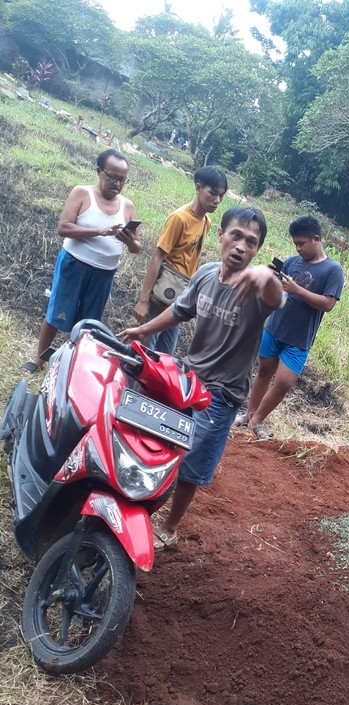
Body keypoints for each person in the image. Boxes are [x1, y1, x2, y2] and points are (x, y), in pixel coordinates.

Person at [120, 206, 283, 551]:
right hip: (187, 377)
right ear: (220, 236)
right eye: (236, 235)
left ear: (257, 251)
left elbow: (276, 296)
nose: (241, 246)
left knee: (192, 466)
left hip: (221, 395)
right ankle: (136, 499)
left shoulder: (256, 288)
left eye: (251, 242)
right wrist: (142, 328)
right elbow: (180, 311)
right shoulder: (206, 274)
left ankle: (170, 526)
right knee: (153, 437)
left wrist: (265, 276)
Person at [23, 149, 140, 373]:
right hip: (74, 264)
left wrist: (129, 242)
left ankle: (74, 366)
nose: (117, 183)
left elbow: (137, 247)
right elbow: (63, 228)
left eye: (122, 179)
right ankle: (39, 359)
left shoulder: (128, 206)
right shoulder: (82, 194)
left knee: (89, 322)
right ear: (99, 171)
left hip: (104, 273)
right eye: (112, 176)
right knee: (58, 311)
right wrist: (100, 231)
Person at [236, 215, 344, 438]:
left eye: (302, 243)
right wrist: (270, 277)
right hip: (274, 327)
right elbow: (275, 291)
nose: (298, 248)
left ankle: (257, 421)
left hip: (299, 338)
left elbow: (328, 304)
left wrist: (297, 291)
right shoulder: (291, 262)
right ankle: (250, 416)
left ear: (316, 239)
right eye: (295, 244)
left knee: (284, 382)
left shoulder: (333, 270)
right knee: (264, 371)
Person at [133, 166, 227, 354]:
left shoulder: (206, 222)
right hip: (162, 296)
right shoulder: (179, 218)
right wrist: (143, 300)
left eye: (221, 196)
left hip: (180, 299)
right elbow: (158, 257)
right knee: (145, 351)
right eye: (213, 193)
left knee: (165, 354)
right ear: (198, 188)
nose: (217, 201)